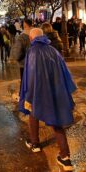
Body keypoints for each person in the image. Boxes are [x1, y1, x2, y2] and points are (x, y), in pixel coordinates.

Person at [19, 28, 76, 171]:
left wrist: (28, 95)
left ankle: (35, 143)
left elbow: (30, 76)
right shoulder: (53, 51)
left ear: (32, 39)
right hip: (55, 91)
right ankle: (65, 158)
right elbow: (64, 72)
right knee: (57, 121)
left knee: (33, 112)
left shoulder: (32, 52)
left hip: (39, 91)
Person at [10, 18, 33, 89]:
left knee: (24, 82)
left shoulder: (22, 36)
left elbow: (17, 52)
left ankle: (24, 97)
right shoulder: (36, 34)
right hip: (35, 62)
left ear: (25, 25)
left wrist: (16, 58)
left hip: (24, 63)